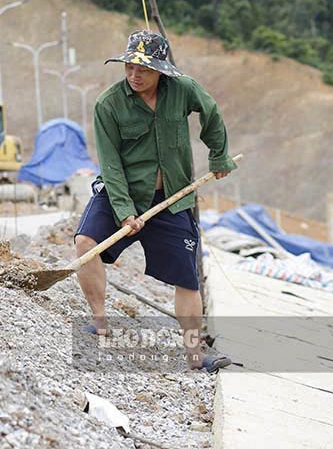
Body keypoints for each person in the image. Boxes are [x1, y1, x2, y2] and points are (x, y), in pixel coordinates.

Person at [74, 30, 237, 372]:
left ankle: (195, 354)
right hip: (123, 192)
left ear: (162, 70)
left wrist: (219, 156)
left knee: (187, 279)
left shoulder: (183, 90)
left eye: (144, 69)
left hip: (171, 199)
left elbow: (211, 113)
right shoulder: (109, 103)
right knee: (85, 242)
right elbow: (111, 163)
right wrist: (124, 211)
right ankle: (100, 320)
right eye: (130, 67)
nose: (135, 75)